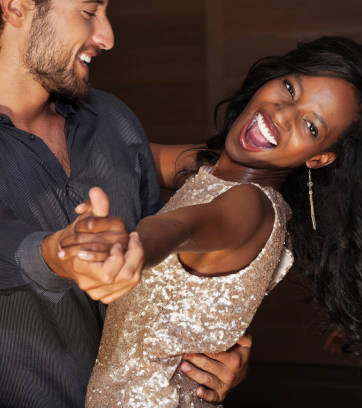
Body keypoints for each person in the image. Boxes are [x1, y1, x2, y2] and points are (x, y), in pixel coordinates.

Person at [57, 36, 362, 407]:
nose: (282, 113)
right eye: (290, 88)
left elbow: (183, 226)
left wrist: (132, 245)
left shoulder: (250, 205)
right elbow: (132, 152)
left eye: (311, 127)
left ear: (319, 158)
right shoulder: (210, 169)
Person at [0, 0, 248, 406]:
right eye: (88, 11)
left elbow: (157, 286)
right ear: (15, 7)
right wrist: (55, 254)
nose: (107, 37)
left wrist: (217, 351)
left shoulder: (114, 120)